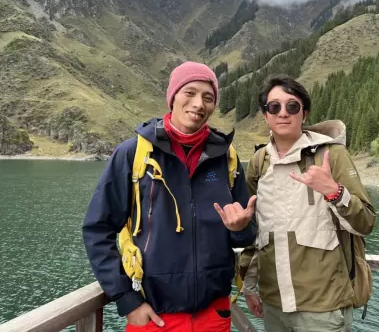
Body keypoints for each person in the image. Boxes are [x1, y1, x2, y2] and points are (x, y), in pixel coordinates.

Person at [82, 61, 257, 332]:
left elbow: (245, 235)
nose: (198, 104)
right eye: (190, 92)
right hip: (154, 316)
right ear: (173, 96)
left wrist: (241, 229)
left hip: (214, 314)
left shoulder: (226, 158)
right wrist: (126, 298)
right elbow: (97, 229)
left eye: (208, 97)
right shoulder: (134, 154)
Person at [239, 74, 376, 332]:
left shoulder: (332, 155)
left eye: (292, 106)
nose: (283, 113)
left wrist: (334, 192)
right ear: (265, 115)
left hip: (323, 308)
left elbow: (366, 222)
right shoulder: (259, 162)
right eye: (274, 107)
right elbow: (256, 230)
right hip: (274, 305)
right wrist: (249, 285)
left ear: (305, 113)